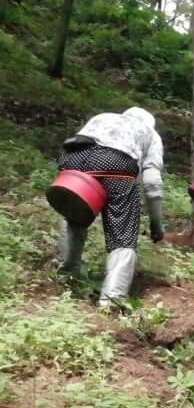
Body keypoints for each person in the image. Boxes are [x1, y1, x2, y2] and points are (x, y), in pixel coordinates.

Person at [56, 107, 164, 308]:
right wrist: (157, 226)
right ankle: (112, 299)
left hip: (71, 161)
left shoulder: (101, 117)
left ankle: (69, 279)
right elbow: (152, 184)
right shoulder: (149, 132)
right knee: (122, 235)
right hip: (116, 165)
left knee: (74, 216)